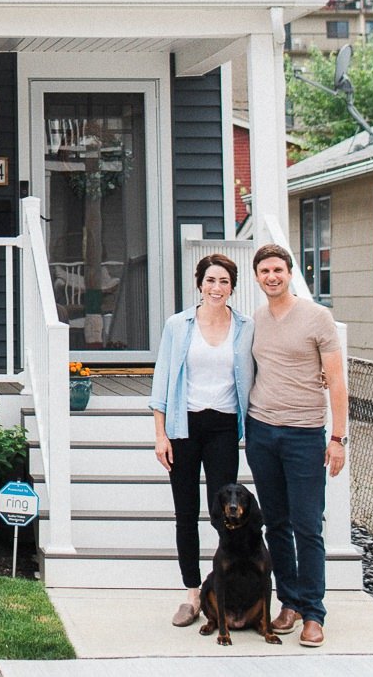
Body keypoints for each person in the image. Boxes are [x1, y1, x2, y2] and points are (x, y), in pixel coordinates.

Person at [245, 243, 347, 649]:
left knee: (308, 525)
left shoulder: (317, 317)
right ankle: (288, 603)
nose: (272, 277)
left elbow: (337, 381)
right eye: (264, 271)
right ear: (257, 278)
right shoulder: (255, 320)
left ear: (290, 273)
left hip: (305, 434)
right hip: (262, 432)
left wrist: (337, 439)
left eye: (278, 270)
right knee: (276, 524)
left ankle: (313, 613)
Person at [148, 252, 252, 628]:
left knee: (225, 514)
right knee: (186, 512)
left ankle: (228, 592)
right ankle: (192, 595)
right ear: (199, 284)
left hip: (224, 427)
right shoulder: (178, 325)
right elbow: (161, 382)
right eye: (210, 280)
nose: (217, 288)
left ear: (232, 287)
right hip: (183, 427)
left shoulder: (245, 327)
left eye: (224, 281)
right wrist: (160, 434)